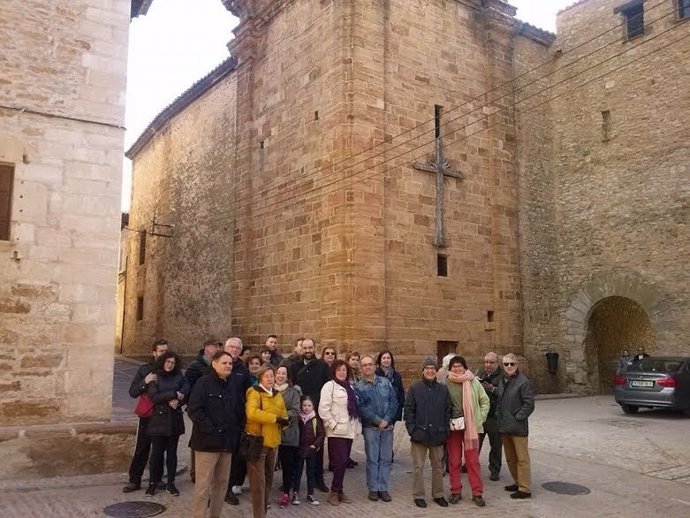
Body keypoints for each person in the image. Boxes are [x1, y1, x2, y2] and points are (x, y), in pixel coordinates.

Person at [188, 351, 245, 518]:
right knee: (203, 486)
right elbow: (194, 410)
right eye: (224, 363)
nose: (228, 366)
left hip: (227, 443)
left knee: (221, 485)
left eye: (230, 363)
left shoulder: (232, 384)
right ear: (214, 364)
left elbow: (237, 410)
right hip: (207, 443)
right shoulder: (203, 383)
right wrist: (210, 430)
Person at [123, 339, 169, 493]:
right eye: (161, 351)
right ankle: (134, 479)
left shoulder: (170, 368)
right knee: (142, 448)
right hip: (148, 415)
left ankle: (157, 479)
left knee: (159, 449)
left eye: (166, 351)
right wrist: (145, 381)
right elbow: (132, 391)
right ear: (154, 352)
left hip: (163, 415)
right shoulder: (145, 370)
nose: (164, 354)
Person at [404, 357, 450, 509]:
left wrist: (445, 431)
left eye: (433, 368)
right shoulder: (415, 388)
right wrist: (412, 430)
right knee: (418, 467)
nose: (430, 371)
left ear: (436, 371)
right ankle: (418, 495)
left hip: (437, 434)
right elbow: (409, 411)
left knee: (438, 467)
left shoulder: (443, 390)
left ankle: (438, 494)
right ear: (422, 371)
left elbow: (446, 412)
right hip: (420, 435)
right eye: (427, 368)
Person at [245, 364, 289, 518]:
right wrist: (274, 418)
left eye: (272, 375)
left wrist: (284, 422)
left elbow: (284, 414)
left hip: (273, 443)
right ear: (261, 378)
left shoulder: (277, 394)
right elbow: (252, 413)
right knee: (258, 484)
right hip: (258, 443)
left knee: (269, 479)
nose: (270, 378)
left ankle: (263, 510)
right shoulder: (254, 393)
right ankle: (259, 514)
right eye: (267, 376)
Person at [445, 356, 489, 507]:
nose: (457, 369)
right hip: (454, 427)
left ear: (465, 367)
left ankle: (477, 493)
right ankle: (455, 490)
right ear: (450, 368)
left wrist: (480, 418)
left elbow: (485, 401)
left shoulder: (473, 382)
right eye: (454, 366)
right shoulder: (446, 383)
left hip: (471, 427)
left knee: (472, 461)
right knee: (454, 460)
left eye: (459, 366)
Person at [145, 351, 190, 497]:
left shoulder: (179, 376)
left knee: (172, 454)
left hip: (173, 419)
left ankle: (171, 483)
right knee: (156, 454)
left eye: (172, 362)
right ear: (163, 362)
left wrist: (179, 400)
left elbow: (186, 390)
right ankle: (153, 483)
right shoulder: (155, 376)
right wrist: (174, 395)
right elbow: (154, 397)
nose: (170, 365)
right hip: (158, 419)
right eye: (167, 362)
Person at [289, 338, 331, 492]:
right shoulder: (295, 367)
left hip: (316, 412)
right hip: (299, 413)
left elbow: (327, 388)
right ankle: (293, 479)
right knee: (297, 445)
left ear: (314, 348)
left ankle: (318, 479)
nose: (307, 351)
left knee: (316, 447)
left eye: (310, 348)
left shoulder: (323, 366)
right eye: (305, 348)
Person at [354, 354, 399, 502]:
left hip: (387, 427)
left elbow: (394, 401)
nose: (368, 367)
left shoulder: (385, 382)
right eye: (364, 365)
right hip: (370, 428)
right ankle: (373, 488)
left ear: (375, 366)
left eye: (370, 364)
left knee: (385, 458)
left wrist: (386, 420)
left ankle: (383, 488)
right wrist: (377, 420)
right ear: (361, 368)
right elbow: (361, 408)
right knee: (373, 458)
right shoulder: (358, 387)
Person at [319, 359, 361, 506]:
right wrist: (333, 425)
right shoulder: (329, 386)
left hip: (348, 430)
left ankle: (339, 490)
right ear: (334, 372)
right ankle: (334, 492)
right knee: (340, 461)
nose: (342, 372)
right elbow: (323, 409)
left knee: (343, 463)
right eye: (339, 370)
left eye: (344, 370)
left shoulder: (350, 387)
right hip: (336, 431)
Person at [497, 353, 535, 499]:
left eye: (512, 364)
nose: (509, 366)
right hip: (505, 426)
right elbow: (501, 399)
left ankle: (524, 489)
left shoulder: (523, 382)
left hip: (518, 428)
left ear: (517, 365)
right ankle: (518, 482)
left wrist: (517, 417)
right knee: (510, 458)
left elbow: (529, 404)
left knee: (522, 458)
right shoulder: (503, 380)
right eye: (506, 364)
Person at [185, 337, 222, 482]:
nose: (218, 349)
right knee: (198, 439)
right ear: (206, 347)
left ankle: (208, 470)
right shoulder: (196, 365)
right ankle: (195, 472)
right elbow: (188, 386)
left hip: (212, 408)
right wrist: (190, 405)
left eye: (219, 347)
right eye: (215, 346)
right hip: (198, 408)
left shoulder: (215, 364)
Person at [224, 337, 253, 505]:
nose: (234, 350)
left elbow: (248, 393)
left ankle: (228, 489)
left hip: (236, 420)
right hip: (218, 421)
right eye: (231, 347)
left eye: (237, 347)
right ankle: (214, 490)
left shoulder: (243, 369)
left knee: (234, 457)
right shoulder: (217, 364)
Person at [274, 365, 302, 508]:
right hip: (271, 432)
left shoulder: (293, 392)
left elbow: (295, 410)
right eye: (278, 373)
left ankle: (286, 492)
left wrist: (280, 417)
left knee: (287, 465)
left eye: (283, 373)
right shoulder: (269, 391)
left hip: (288, 433)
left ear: (287, 376)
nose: (280, 376)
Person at [475, 351, 503, 481]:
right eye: (486, 362)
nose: (488, 365)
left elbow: (505, 393)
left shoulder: (503, 376)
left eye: (491, 362)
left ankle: (495, 469)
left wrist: (492, 388)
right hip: (481, 415)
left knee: (496, 445)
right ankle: (471, 464)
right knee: (476, 442)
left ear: (497, 363)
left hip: (494, 416)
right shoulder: (480, 373)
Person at [294, 396, 325, 506]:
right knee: (297, 473)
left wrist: (315, 445)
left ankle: (310, 494)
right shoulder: (298, 418)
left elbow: (321, 434)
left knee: (310, 473)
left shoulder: (315, 419)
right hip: (300, 450)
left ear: (313, 406)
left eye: (309, 405)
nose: (306, 408)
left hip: (311, 450)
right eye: (304, 405)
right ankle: (295, 494)